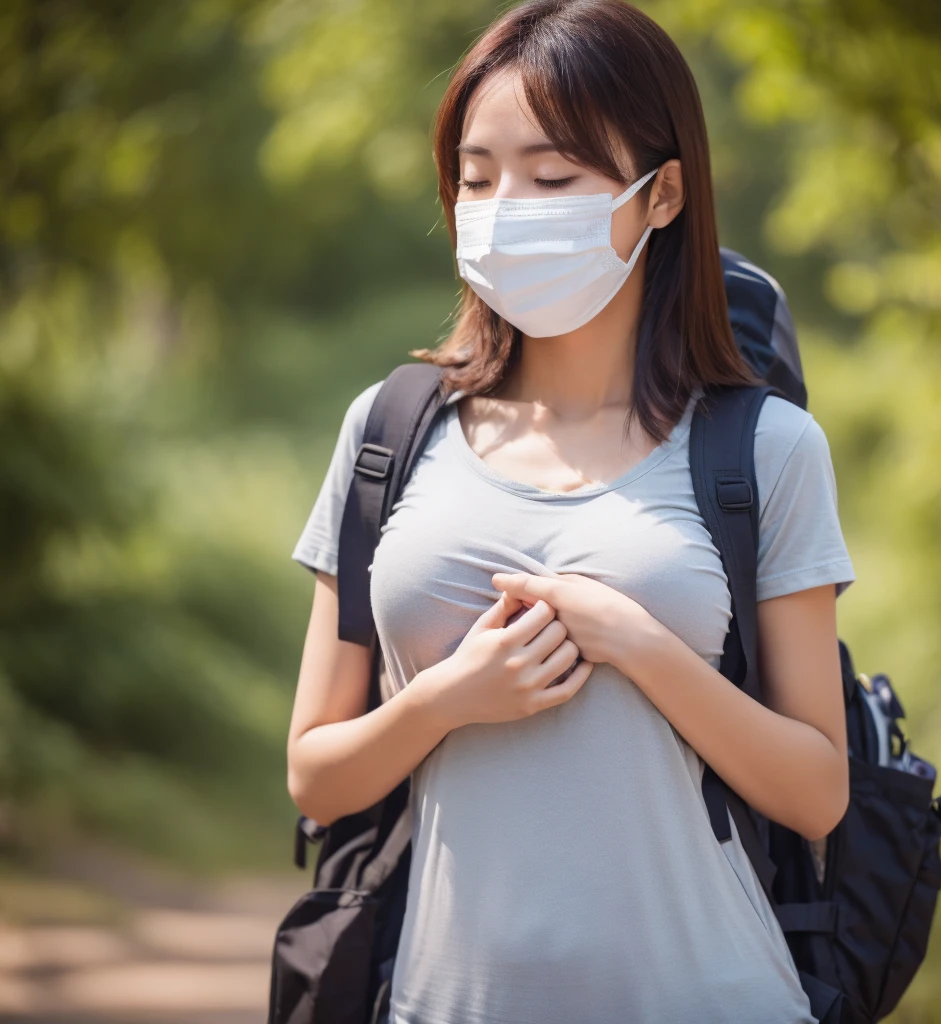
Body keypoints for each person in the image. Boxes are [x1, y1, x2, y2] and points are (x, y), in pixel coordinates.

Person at [287, 1, 856, 1021]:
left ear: (663, 193)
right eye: (476, 176)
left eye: (552, 177)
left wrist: (640, 643)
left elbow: (817, 790)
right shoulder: (387, 431)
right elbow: (316, 777)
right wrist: (446, 699)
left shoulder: (764, 450)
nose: (506, 205)